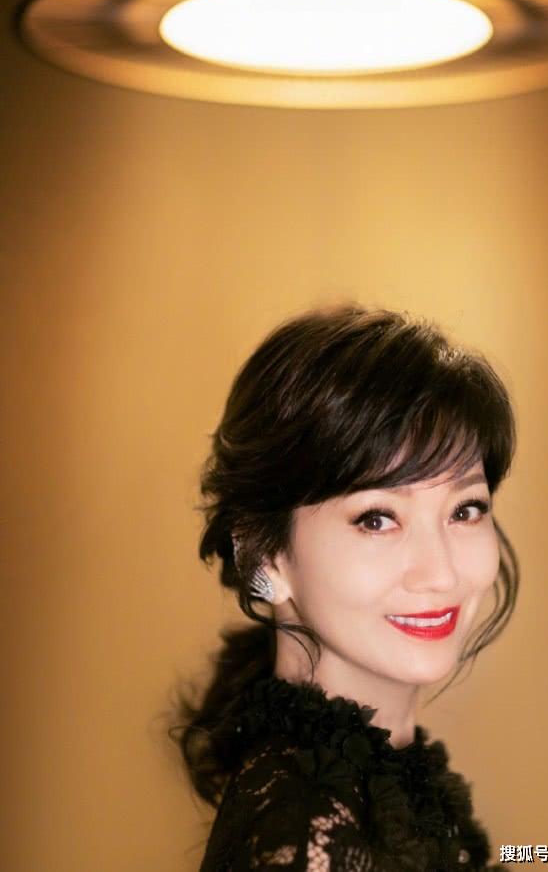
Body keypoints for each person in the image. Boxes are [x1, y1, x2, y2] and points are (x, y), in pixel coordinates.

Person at [171, 304, 519, 871]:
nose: (441, 573)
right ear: (264, 554)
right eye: (377, 519)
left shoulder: (369, 788)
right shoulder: (312, 837)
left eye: (465, 510)